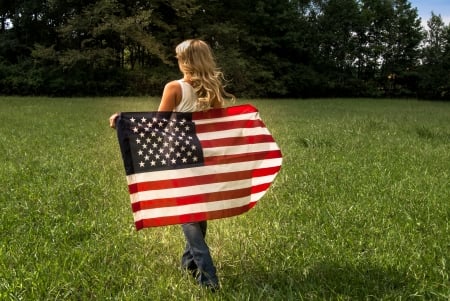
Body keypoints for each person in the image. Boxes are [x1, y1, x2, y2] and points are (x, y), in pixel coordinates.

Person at [109, 39, 235, 291]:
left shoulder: (174, 87)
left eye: (178, 57)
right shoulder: (212, 89)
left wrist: (122, 120)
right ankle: (188, 265)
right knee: (198, 210)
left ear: (185, 61)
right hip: (204, 155)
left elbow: (157, 124)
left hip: (179, 156)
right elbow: (217, 125)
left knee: (187, 212)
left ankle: (208, 275)